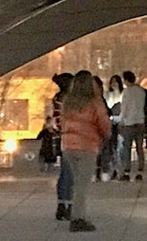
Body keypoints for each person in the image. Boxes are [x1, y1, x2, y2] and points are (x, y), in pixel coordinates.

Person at [57, 71, 110, 231]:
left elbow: (61, 122)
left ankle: (78, 215)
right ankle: (78, 218)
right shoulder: (94, 102)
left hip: (68, 145)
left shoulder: (68, 101)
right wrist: (105, 136)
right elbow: (103, 123)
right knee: (83, 185)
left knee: (76, 182)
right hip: (87, 145)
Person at [116, 71, 147, 180]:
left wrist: (122, 119)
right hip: (140, 122)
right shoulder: (141, 91)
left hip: (129, 123)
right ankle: (140, 170)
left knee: (127, 148)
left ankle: (127, 171)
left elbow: (124, 108)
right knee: (139, 148)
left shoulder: (126, 92)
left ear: (126, 80)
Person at [48, 74, 74, 209]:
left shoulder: (57, 98)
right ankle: (67, 203)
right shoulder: (67, 100)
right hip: (70, 137)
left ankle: (62, 203)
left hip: (62, 137)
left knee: (65, 172)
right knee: (69, 173)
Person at [97, 75, 124, 180]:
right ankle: (112, 169)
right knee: (110, 147)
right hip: (110, 122)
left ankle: (117, 169)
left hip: (120, 121)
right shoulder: (108, 95)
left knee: (118, 147)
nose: (114, 84)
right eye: (112, 82)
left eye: (116, 82)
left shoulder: (123, 94)